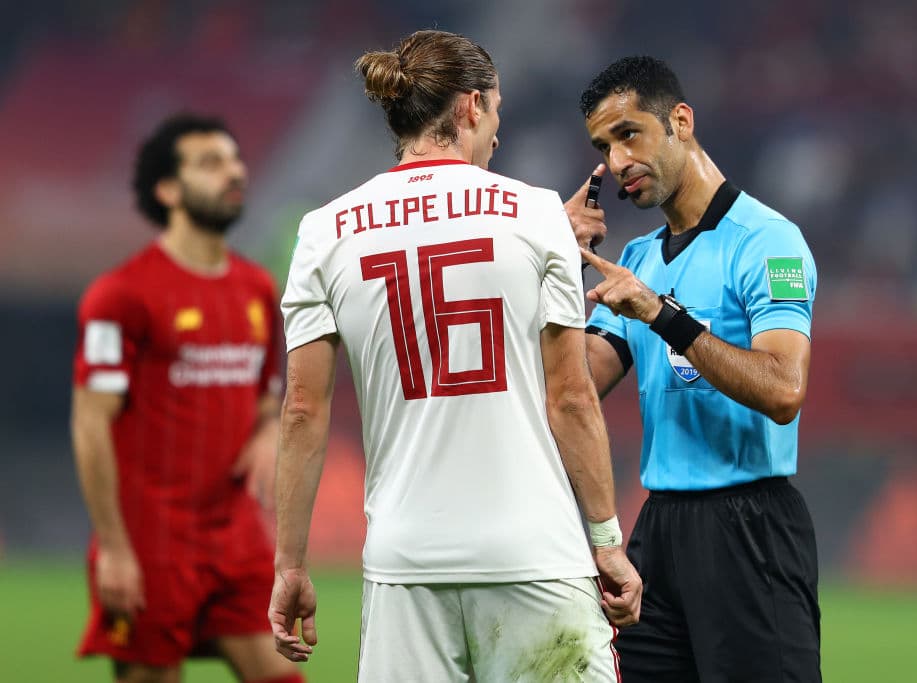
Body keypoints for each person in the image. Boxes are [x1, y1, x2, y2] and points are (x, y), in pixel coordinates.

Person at [267, 29, 642, 682]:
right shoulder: (535, 215)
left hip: (406, 569)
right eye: (495, 111)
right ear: (470, 106)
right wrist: (608, 542)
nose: (497, 131)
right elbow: (572, 397)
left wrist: (290, 565)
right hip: (534, 557)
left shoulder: (322, 231)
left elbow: (302, 409)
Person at [565, 56, 821, 682]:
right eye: (604, 146)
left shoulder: (767, 241)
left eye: (630, 134)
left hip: (750, 525)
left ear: (680, 121)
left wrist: (660, 313)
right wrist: (550, 260)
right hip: (659, 531)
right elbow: (574, 385)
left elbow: (784, 390)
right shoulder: (637, 257)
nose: (618, 161)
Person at [71, 113, 303, 683]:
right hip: (152, 544)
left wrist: (268, 434)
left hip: (236, 540)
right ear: (167, 190)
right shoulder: (120, 295)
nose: (234, 171)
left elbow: (268, 398)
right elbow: (90, 424)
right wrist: (116, 549)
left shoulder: (255, 289)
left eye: (234, 158)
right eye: (210, 162)